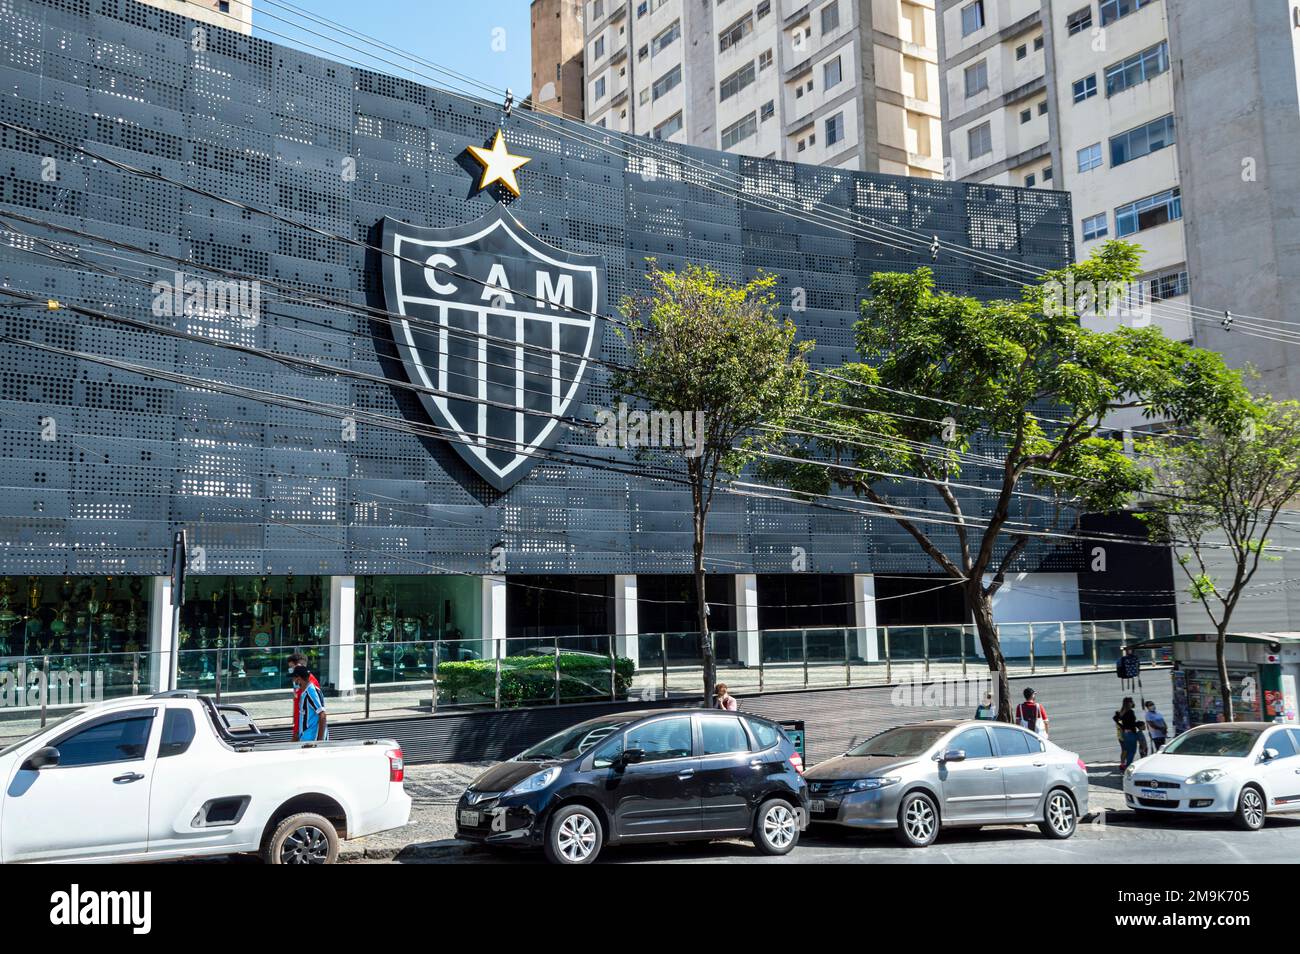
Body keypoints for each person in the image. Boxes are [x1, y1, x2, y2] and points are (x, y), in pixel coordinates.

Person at [288, 652, 321, 742]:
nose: (290, 670)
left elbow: (321, 714)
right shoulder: (298, 683)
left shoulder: (310, 686)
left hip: (308, 734)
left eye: (292, 667)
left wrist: (320, 741)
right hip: (302, 731)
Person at [293, 665, 328, 741]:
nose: (293, 681)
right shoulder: (306, 692)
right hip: (307, 739)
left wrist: (319, 742)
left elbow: (322, 715)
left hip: (311, 741)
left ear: (299, 679)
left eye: (294, 678)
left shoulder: (311, 692)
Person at [1113, 696, 1139, 769]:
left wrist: (1123, 727)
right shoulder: (1130, 712)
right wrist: (1138, 724)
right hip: (1130, 733)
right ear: (1128, 703)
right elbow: (1131, 723)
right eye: (1131, 701)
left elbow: (1117, 720)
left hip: (1125, 733)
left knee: (1127, 750)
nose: (1133, 703)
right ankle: (1128, 766)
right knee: (1132, 751)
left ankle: (1126, 764)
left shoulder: (1122, 712)